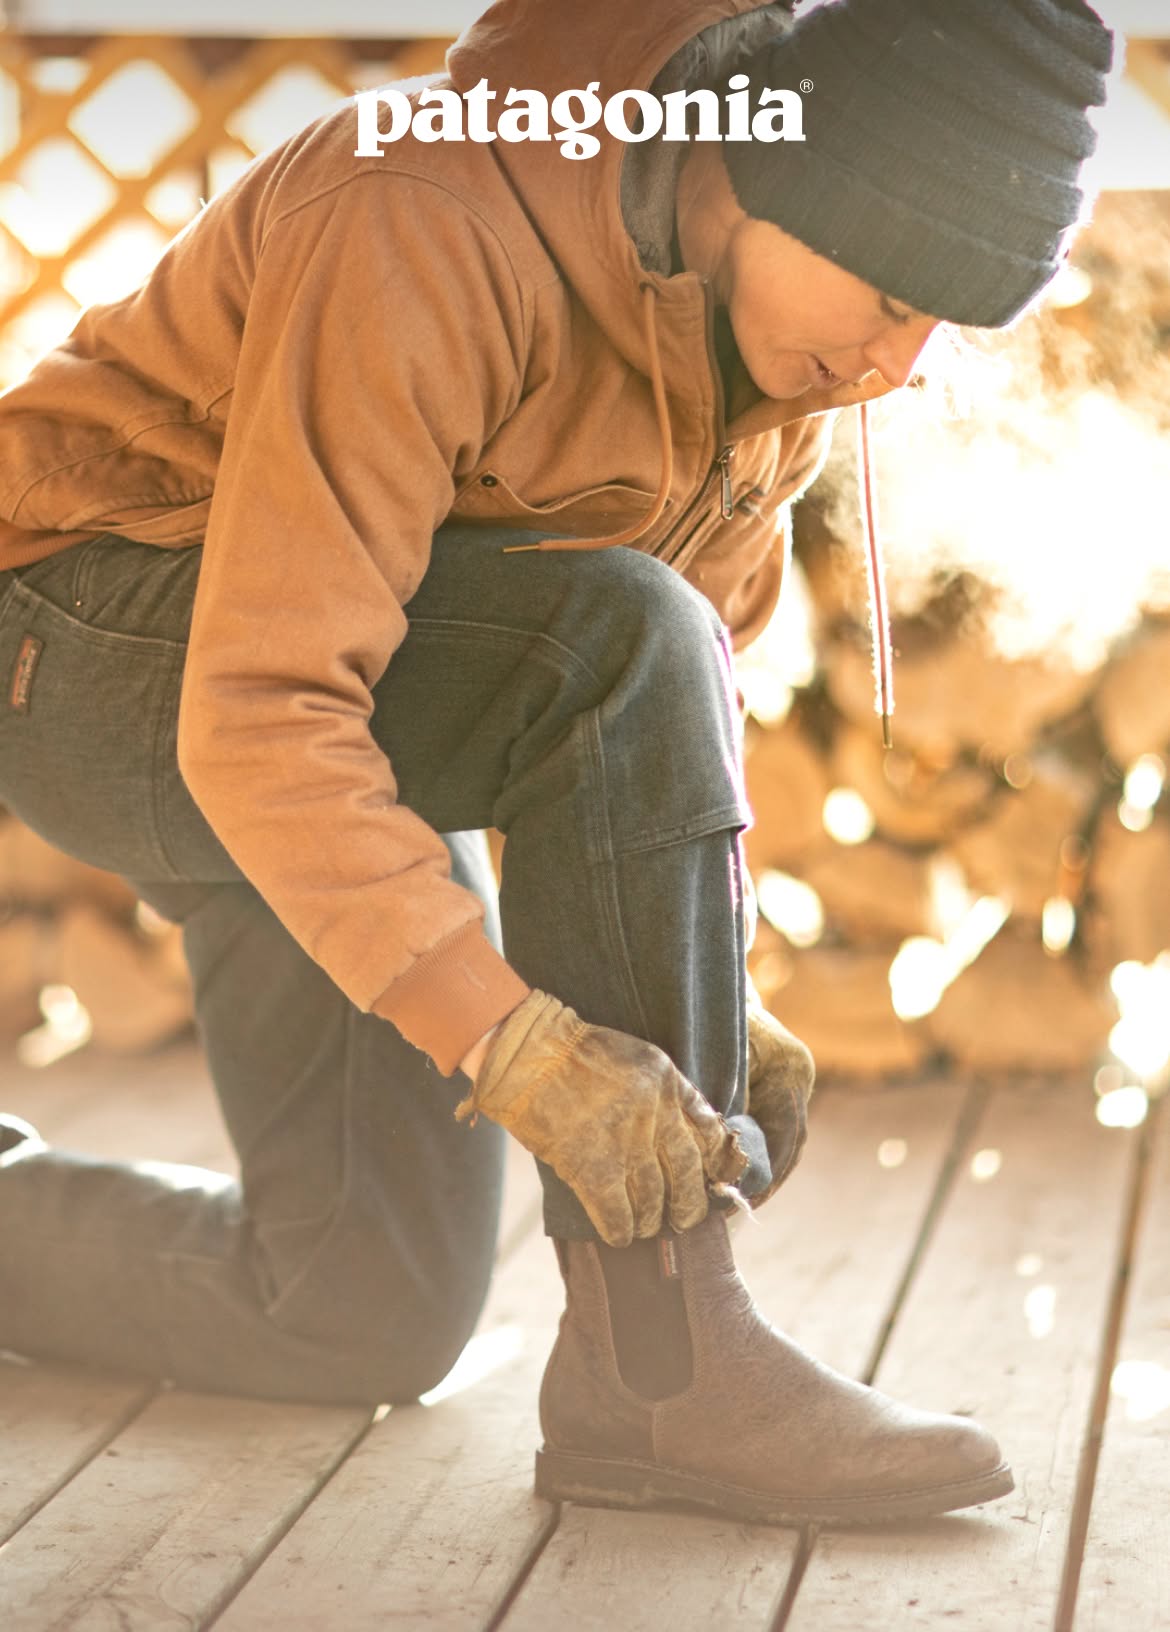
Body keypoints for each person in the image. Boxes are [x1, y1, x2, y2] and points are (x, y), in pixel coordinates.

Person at [0, 0, 1113, 1526]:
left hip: (358, 715)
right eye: (893, 291)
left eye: (945, 325)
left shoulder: (779, 349)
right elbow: (272, 704)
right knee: (612, 631)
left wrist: (711, 986)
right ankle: (659, 1378)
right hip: (87, 648)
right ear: (774, 177)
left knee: (355, 1312)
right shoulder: (424, 213)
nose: (896, 361)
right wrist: (510, 1040)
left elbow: (658, 743)